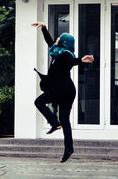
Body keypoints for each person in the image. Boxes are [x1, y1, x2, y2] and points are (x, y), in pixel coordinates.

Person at [32, 22, 94, 163]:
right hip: (67, 90)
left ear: (65, 42)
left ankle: (54, 123)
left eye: (60, 37)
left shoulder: (65, 54)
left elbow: (71, 61)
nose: (57, 38)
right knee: (65, 120)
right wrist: (43, 28)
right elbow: (50, 42)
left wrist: (81, 60)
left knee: (39, 102)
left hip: (62, 88)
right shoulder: (57, 52)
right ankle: (69, 149)